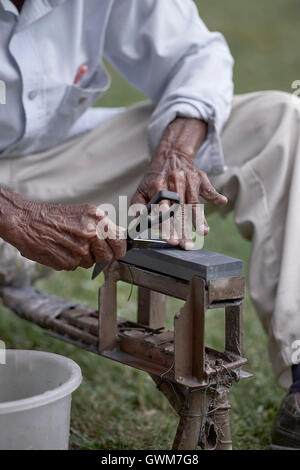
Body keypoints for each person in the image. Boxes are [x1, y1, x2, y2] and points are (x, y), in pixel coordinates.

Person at [0, 0, 299, 449]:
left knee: (279, 122)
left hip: (58, 162)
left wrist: (175, 151)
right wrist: (18, 215)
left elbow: (195, 53)